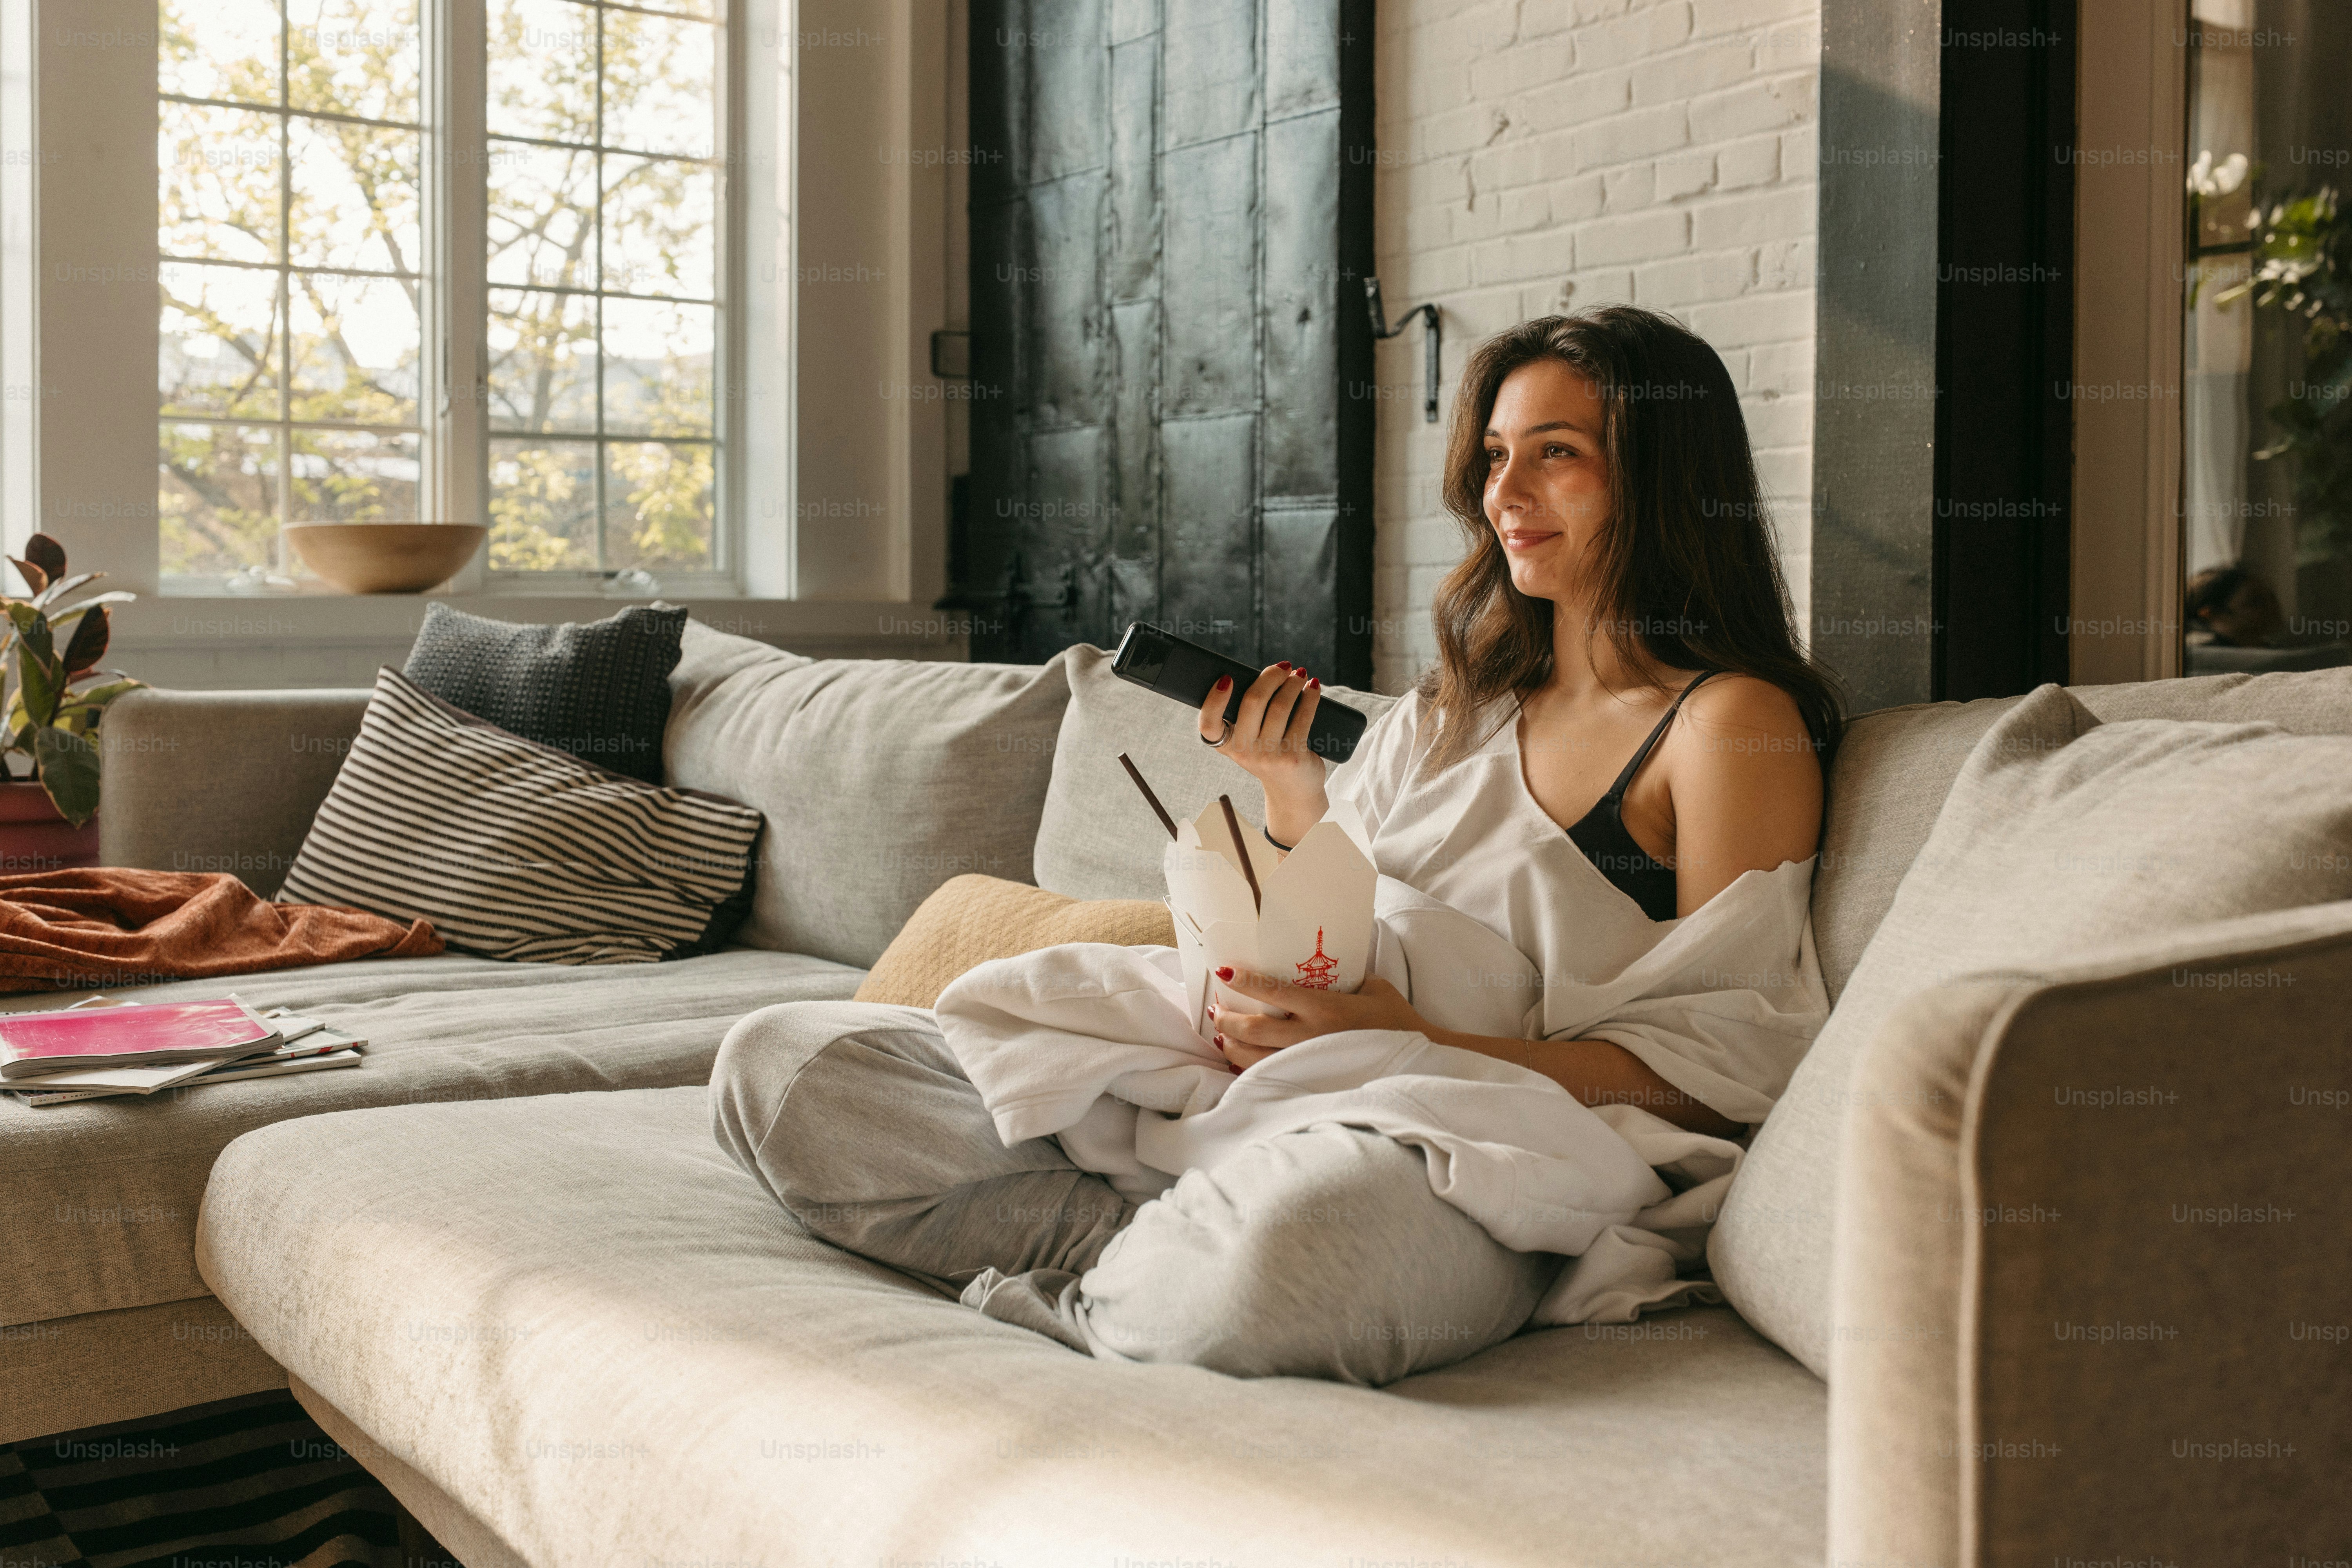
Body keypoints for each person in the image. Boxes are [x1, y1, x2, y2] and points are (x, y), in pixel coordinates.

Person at [710, 307, 1843, 1385]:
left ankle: (1166, 1267)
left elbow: (1725, 1070)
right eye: (1495, 457)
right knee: (786, 1068)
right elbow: (1345, 927)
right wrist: (1290, 801)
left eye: (1557, 454)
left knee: (1293, 1256)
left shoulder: (1725, 725)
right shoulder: (1454, 707)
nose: (1507, 494)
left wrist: (1415, 1041)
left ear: (1663, 477)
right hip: (1276, 1088)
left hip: (1469, 1138)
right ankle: (1156, 1250)